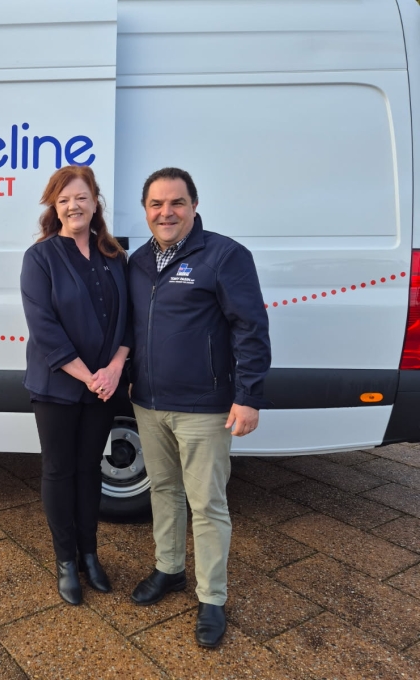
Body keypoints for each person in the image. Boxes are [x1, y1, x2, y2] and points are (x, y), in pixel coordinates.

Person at [128, 167, 271, 647]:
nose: (165, 212)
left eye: (176, 203)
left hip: (204, 408)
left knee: (207, 504)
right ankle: (168, 570)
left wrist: (247, 396)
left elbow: (251, 328)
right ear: (145, 209)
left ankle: (212, 598)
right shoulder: (138, 262)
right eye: (156, 204)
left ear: (193, 205)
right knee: (163, 492)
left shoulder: (224, 255)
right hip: (148, 404)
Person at [20, 165, 131, 605]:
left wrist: (116, 367)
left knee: (90, 471)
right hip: (58, 386)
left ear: (95, 200)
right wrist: (90, 376)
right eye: (64, 199)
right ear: (55, 206)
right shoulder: (41, 257)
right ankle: (65, 561)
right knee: (59, 470)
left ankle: (90, 554)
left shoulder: (114, 255)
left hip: (105, 385)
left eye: (81, 197)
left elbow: (131, 319)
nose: (73, 206)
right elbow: (43, 327)